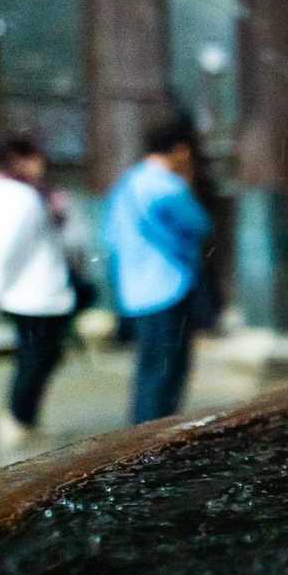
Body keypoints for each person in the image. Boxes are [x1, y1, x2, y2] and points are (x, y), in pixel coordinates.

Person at [104, 116, 213, 425]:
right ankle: (158, 439)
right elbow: (200, 224)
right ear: (181, 150)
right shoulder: (169, 186)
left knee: (148, 369)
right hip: (169, 287)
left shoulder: (127, 183)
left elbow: (110, 236)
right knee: (168, 373)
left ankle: (137, 436)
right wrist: (189, 181)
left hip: (135, 290)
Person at [0, 136, 74, 447]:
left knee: (38, 357)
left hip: (32, 293)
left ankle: (23, 418)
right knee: (35, 360)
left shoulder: (21, 193)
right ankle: (19, 419)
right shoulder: (22, 196)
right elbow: (7, 248)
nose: (40, 164)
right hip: (36, 296)